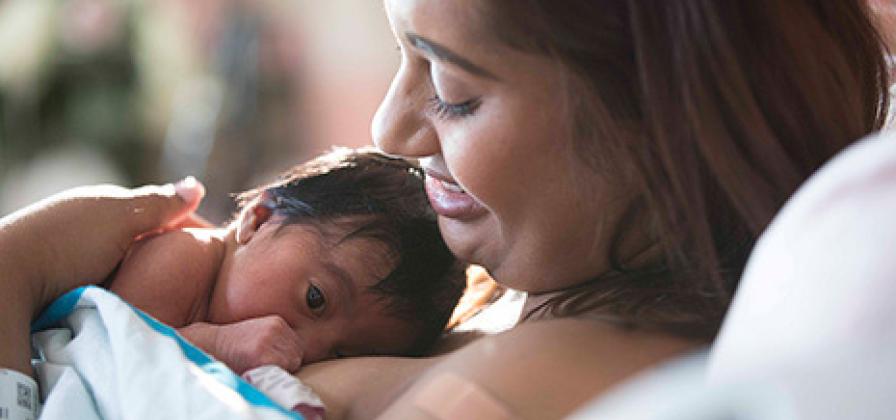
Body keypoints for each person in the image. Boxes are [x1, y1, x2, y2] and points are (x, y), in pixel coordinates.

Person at [0, 1, 890, 419]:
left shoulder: (539, 383)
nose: (391, 125)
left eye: (455, 90)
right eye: (403, 55)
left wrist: (21, 260)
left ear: (654, 127)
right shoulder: (527, 291)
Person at [105, 147, 465, 374]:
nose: (306, 351)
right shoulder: (180, 257)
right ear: (258, 220)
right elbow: (112, 355)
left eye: (340, 356)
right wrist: (221, 345)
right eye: (315, 299)